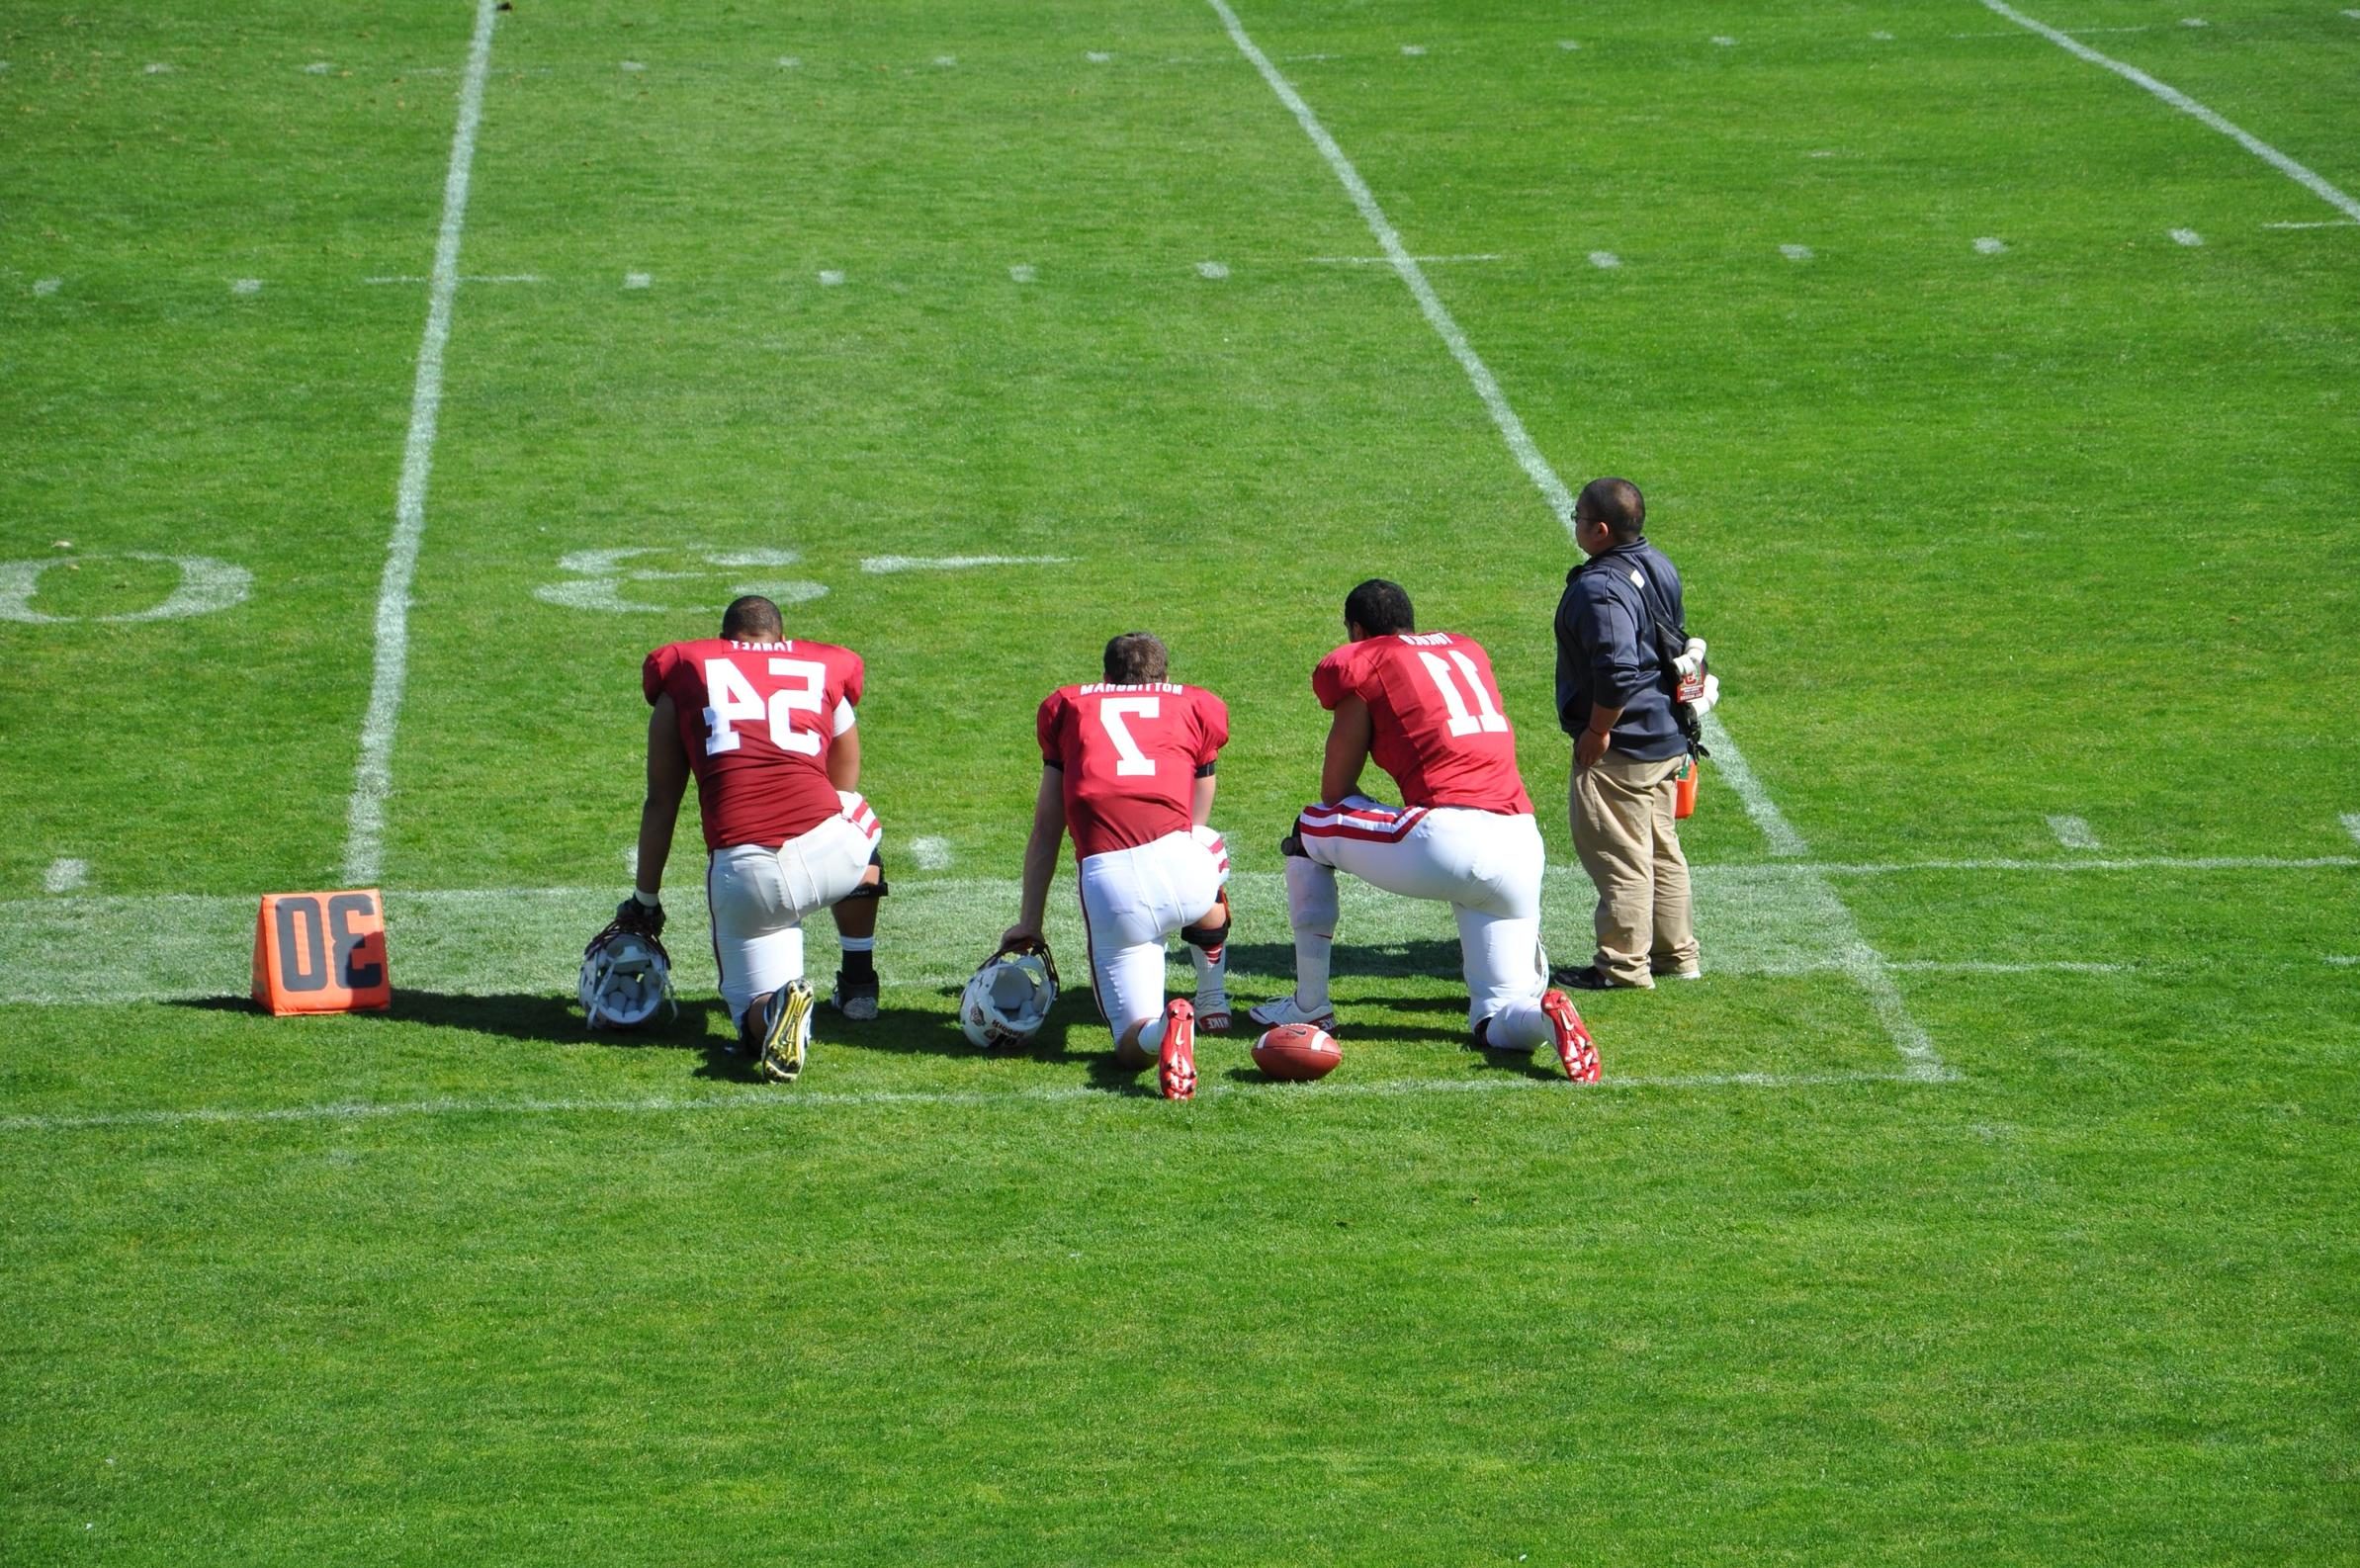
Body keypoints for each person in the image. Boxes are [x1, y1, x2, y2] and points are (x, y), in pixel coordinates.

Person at [1249, 580, 1599, 1083]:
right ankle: (1544, 1019)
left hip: (1448, 838)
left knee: (1310, 829)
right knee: (1495, 1016)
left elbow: (1335, 792)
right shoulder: (1466, 649)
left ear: (1355, 630)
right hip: (1521, 843)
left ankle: (1310, 1004)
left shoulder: (1361, 660)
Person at [619, 594, 886, 1082]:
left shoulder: (685, 669)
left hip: (745, 876)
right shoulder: (827, 665)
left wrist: (644, 902)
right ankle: (858, 982)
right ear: (782, 638)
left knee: (751, 1022)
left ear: (724, 640)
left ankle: (776, 1009)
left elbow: (662, 803)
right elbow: (843, 784)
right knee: (853, 812)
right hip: (829, 859)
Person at [1002, 632, 1233, 1101]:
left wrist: (1030, 923)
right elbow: (1196, 815)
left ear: (1105, 678)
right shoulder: (1196, 705)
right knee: (1206, 843)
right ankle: (1212, 996)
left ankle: (1165, 1027)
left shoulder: (1067, 707)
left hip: (1112, 888)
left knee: (1131, 1049)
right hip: (1185, 872)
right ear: (1164, 678)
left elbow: (1047, 831)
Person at [1552, 477, 1702, 990]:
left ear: (1599, 528)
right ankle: (1677, 956)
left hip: (1625, 745)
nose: (1573, 522)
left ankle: (1622, 967)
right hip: (1665, 735)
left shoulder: (1600, 587)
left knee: (1621, 857)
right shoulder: (1658, 563)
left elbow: (1616, 670)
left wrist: (1597, 731)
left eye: (1577, 516)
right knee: (1662, 849)